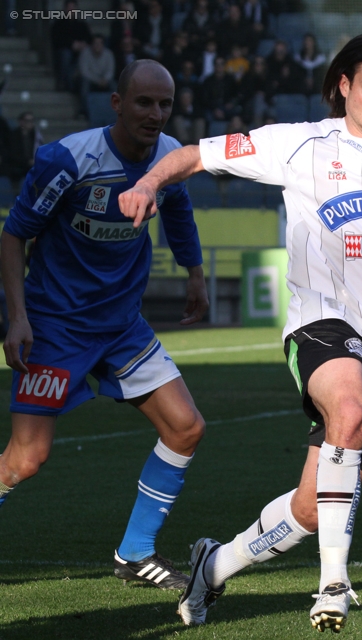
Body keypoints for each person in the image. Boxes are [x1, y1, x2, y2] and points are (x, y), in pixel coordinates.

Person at [118, 32, 362, 632]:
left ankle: (213, 566)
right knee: (348, 411)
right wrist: (149, 183)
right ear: (345, 86)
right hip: (320, 320)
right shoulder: (299, 143)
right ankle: (333, 583)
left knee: (311, 505)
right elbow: (194, 154)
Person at [0, 59, 209, 590]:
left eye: (164, 104)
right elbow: (13, 234)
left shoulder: (168, 157)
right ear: (117, 104)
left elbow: (179, 208)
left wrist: (195, 274)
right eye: (144, 102)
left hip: (121, 326)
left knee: (186, 428)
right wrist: (18, 318)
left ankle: (135, 554)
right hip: (56, 327)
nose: (156, 114)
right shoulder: (67, 160)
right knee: (25, 460)